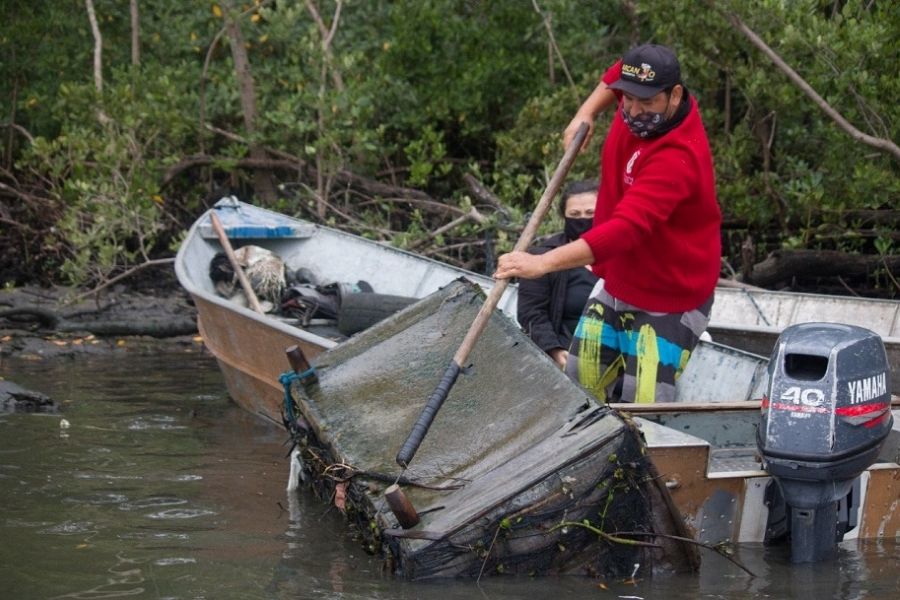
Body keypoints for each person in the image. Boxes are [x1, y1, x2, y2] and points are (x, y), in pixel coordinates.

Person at [495, 44, 722, 404]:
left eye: (646, 103)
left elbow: (624, 230)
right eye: (627, 99)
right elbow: (613, 77)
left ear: (674, 95)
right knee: (578, 387)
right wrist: (584, 114)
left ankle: (649, 458)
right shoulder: (637, 84)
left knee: (643, 400)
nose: (632, 110)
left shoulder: (678, 157)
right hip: (619, 280)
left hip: (671, 293)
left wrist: (541, 263)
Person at [517, 180, 599, 369]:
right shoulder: (541, 258)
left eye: (590, 213)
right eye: (575, 214)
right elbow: (531, 313)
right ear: (564, 216)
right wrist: (553, 349)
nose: (582, 219)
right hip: (568, 357)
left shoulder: (622, 257)